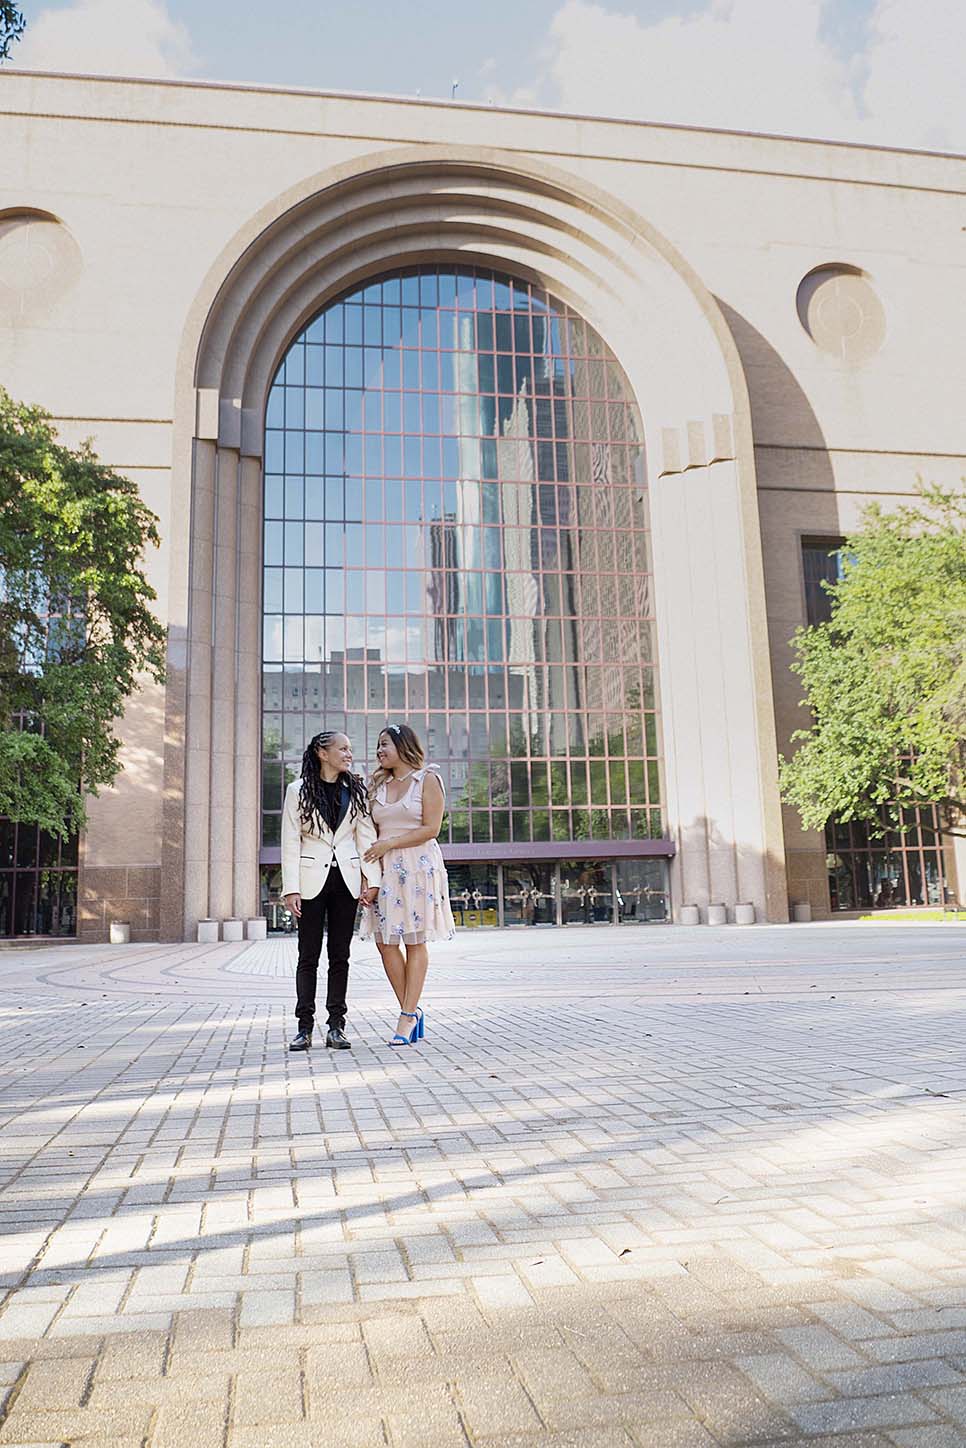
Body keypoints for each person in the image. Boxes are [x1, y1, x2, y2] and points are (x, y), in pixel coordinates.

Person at [281, 731, 380, 1052]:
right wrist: (290, 888)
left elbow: (365, 837)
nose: (349, 754)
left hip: (347, 883)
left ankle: (336, 1025)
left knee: (341, 956)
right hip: (310, 882)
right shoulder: (297, 791)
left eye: (350, 748)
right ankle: (304, 1027)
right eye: (343, 749)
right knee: (307, 956)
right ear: (323, 753)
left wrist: (372, 880)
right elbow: (290, 842)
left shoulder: (356, 790)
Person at [361, 723, 455, 1046]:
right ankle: (412, 1009)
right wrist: (367, 875)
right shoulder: (378, 786)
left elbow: (432, 828)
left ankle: (406, 1015)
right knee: (385, 943)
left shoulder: (427, 779)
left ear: (403, 745)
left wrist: (391, 844)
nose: (379, 751)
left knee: (414, 942)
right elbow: (368, 833)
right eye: (377, 745)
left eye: (384, 744)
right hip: (384, 871)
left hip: (417, 868)